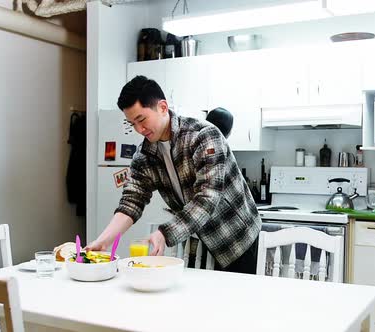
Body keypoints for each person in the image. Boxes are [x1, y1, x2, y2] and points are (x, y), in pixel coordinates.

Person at [87, 75, 261, 274]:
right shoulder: (144, 155)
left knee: (236, 302)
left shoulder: (203, 136)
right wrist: (103, 241)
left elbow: (208, 198)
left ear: (162, 107)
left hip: (237, 239)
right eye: (132, 123)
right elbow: (131, 202)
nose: (139, 129)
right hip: (198, 241)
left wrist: (164, 233)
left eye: (141, 119)